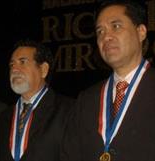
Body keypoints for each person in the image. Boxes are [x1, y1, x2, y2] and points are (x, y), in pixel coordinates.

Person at [61, 0, 155, 161]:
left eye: (116, 26)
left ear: (141, 32)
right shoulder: (86, 99)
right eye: (100, 31)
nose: (106, 37)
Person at [0, 39, 74, 161]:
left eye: (22, 62)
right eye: (12, 64)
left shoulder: (69, 111)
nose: (14, 69)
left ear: (43, 69)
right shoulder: (3, 117)